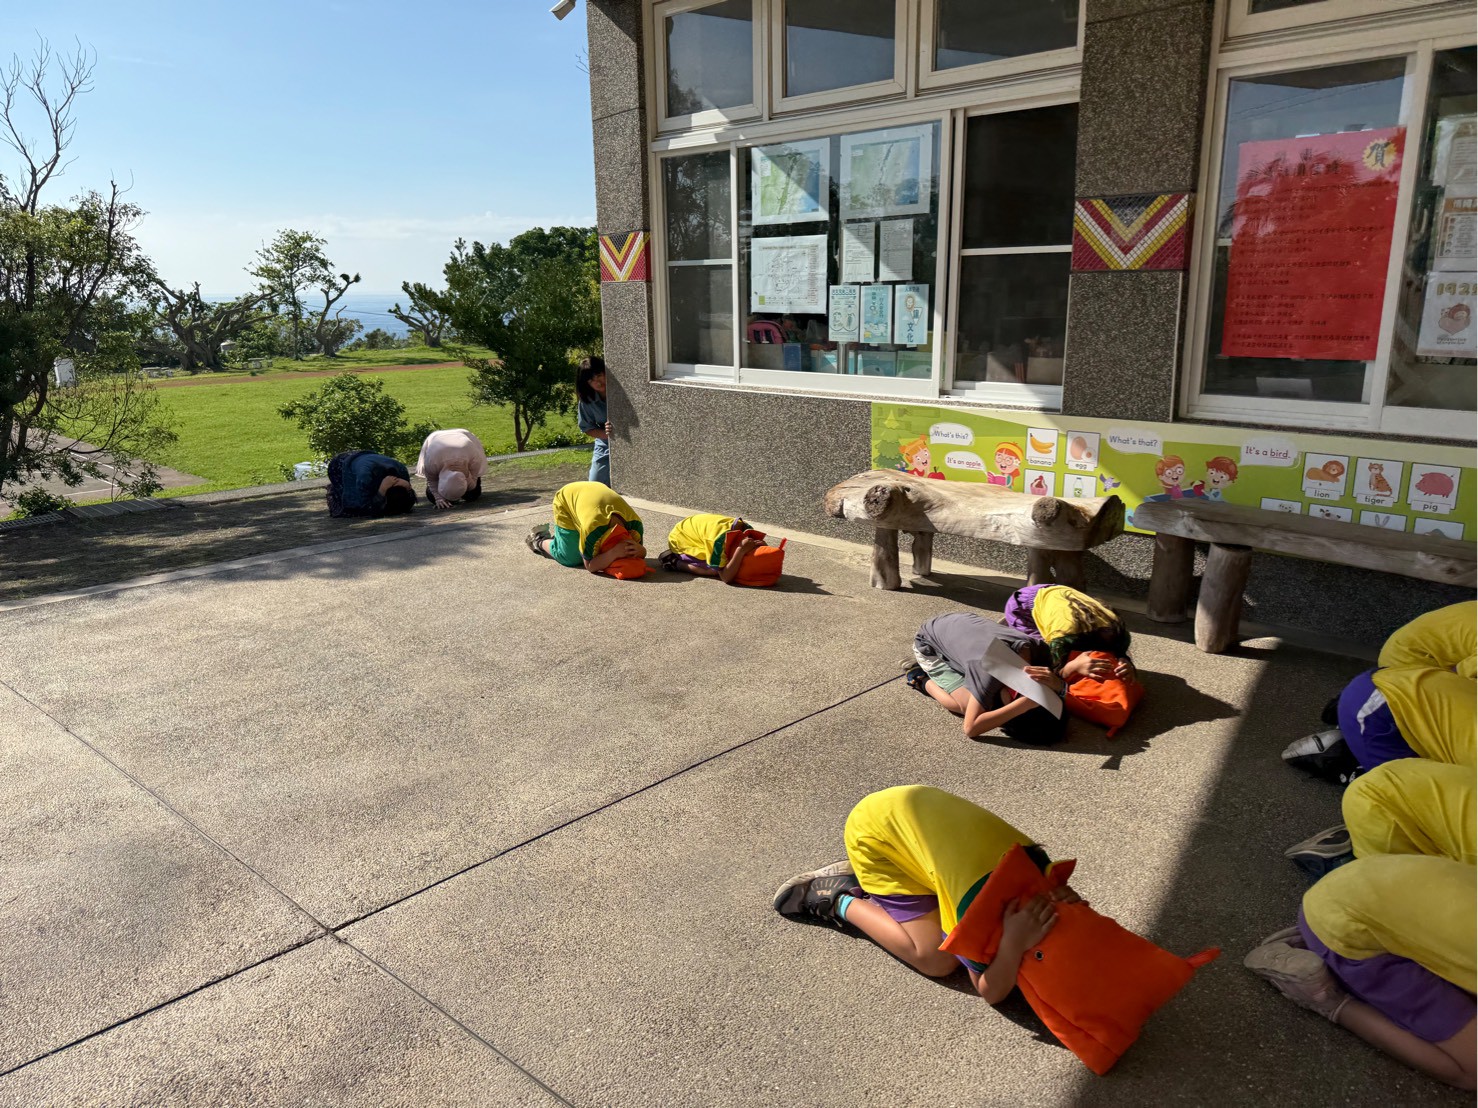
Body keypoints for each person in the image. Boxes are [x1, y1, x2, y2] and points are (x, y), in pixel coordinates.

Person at [1247, 757, 1476, 1090]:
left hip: (1375, 874)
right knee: (1472, 1072)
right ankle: (1330, 1000)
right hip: (1345, 920)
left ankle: (1355, 922)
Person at [772, 785, 1081, 1002]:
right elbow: (990, 991)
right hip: (874, 837)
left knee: (943, 896)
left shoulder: (1044, 877)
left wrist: (1070, 908)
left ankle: (895, 879)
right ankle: (838, 896)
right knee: (936, 959)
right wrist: (1013, 945)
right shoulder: (973, 908)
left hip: (908, 814)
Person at [1283, 602, 1477, 783]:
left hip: (1406, 665)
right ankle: (1358, 752)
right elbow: (1459, 691)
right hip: (1411, 665)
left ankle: (1359, 727)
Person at [902, 611, 1074, 745]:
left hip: (958, 621)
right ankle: (920, 678)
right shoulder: (990, 671)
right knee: (964, 706)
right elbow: (971, 728)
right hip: (927, 643)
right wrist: (1024, 704)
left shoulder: (1040, 656)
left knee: (980, 701)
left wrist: (1054, 688)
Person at [525, 480, 646, 575]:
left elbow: (641, 554)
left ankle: (565, 540)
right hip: (566, 498)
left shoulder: (635, 527)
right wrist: (614, 553)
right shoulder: (593, 530)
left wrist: (641, 550)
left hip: (592, 493)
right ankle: (539, 540)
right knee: (571, 558)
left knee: (586, 550)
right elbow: (590, 566)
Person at [658, 512, 763, 583]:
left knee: (727, 563)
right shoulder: (719, 542)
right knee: (713, 570)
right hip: (680, 540)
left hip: (692, 530)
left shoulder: (746, 529)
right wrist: (740, 551)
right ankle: (674, 562)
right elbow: (726, 577)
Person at [325, 450, 416, 518]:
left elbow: (406, 504)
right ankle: (333, 491)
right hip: (341, 464)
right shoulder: (365, 478)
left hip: (365, 460)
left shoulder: (402, 474)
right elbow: (366, 507)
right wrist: (382, 490)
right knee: (352, 509)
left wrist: (408, 488)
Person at [414, 428, 487, 509]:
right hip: (436, 440)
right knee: (432, 497)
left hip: (464, 439)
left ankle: (459, 492)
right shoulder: (432, 462)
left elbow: (473, 483)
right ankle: (449, 495)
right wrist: (438, 498)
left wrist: (467, 474)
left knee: (473, 495)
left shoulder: (474, 458)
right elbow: (431, 481)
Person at [577, 356, 612, 487]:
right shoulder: (587, 400)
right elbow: (587, 428)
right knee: (595, 483)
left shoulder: (621, 390)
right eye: (591, 380)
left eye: (599, 376)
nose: (598, 383)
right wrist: (606, 434)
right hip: (605, 443)